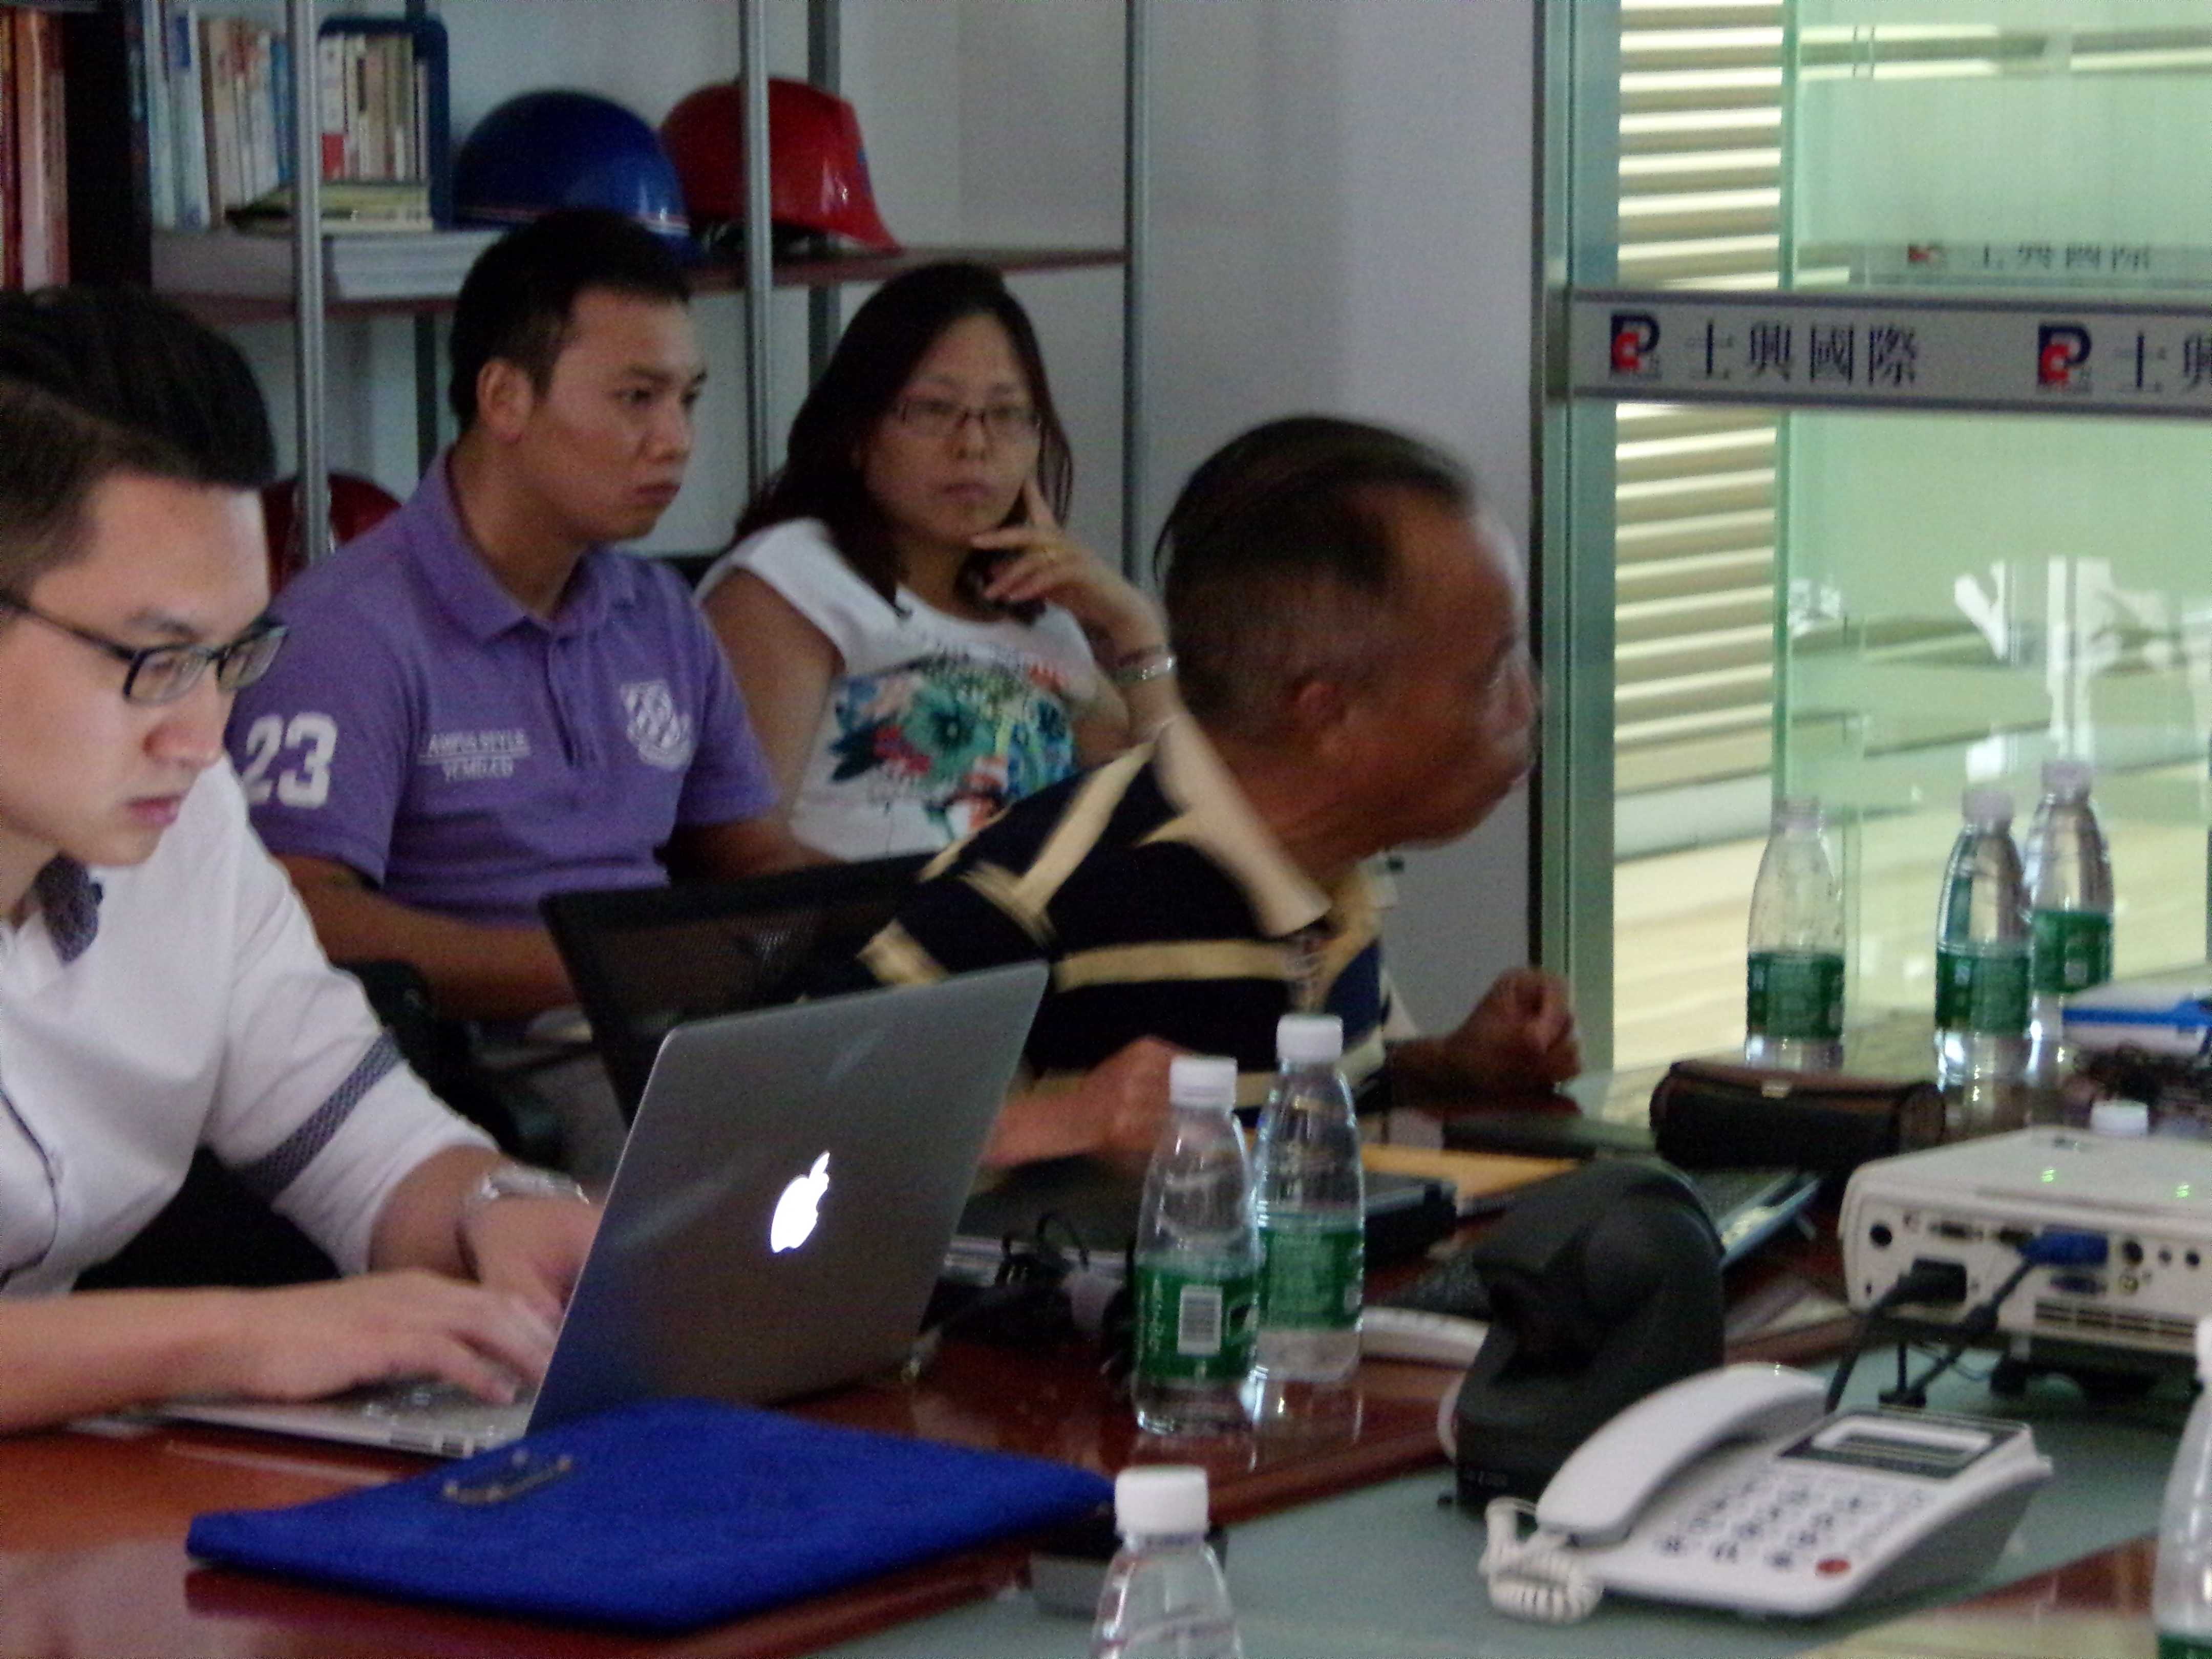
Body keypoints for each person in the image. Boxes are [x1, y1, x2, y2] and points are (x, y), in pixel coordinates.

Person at [0, 290, 597, 1434]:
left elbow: (358, 1136)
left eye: (235, 658)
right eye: (157, 660)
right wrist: (238, 1338)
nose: (203, 737)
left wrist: (498, 1210)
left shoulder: (186, 826)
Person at [839, 415, 1580, 1169]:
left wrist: (1449, 1068)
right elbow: (802, 1126)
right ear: (1329, 715)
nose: (1528, 704)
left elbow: (1304, 1093)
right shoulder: (1043, 885)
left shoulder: (1329, 869)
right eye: (1492, 674)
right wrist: (1057, 1124)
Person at [225, 209, 810, 1023]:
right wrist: (604, 972)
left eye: (688, 398)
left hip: (668, 1024)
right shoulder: (342, 633)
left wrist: (915, 913)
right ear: (504, 398)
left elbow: (752, 853)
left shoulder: (660, 614)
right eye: (637, 398)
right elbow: (300, 913)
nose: (676, 440)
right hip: (485, 1054)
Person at [697, 262, 1178, 860]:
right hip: (870, 918)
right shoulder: (794, 581)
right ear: (857, 432)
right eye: (931, 409)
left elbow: (1166, 830)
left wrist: (1134, 627)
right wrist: (942, 908)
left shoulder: (1041, 615)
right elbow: (744, 855)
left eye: (1006, 413)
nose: (973, 444)